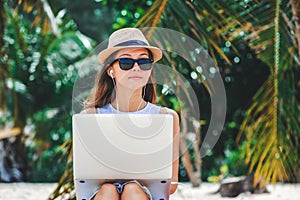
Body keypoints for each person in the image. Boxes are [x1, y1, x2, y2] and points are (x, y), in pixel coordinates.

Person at [81, 28, 180, 200]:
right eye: (126, 62)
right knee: (108, 191)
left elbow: (171, 185)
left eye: (143, 62)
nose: (136, 68)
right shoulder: (90, 117)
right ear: (110, 70)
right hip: (101, 194)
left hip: (145, 195)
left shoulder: (167, 118)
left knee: (132, 190)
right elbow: (84, 181)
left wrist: (132, 183)